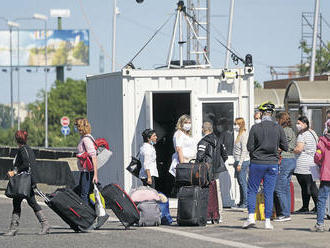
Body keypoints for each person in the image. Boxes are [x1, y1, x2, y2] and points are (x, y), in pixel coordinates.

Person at [243, 101, 288, 230]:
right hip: (272, 163)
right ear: (272, 114)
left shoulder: (255, 128)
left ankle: (251, 217)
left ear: (262, 114)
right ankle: (267, 221)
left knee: (252, 190)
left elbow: (249, 147)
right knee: (269, 192)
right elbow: (285, 146)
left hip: (257, 163)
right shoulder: (278, 128)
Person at [4, 130, 50, 236]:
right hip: (27, 180)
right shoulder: (27, 149)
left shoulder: (22, 150)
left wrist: (14, 171)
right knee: (18, 202)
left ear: (16, 139)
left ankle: (45, 224)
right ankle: (14, 228)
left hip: (25, 181)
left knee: (31, 202)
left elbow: (26, 164)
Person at [273, 112, 297, 222]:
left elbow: (283, 146)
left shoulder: (284, 131)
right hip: (291, 160)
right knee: (286, 188)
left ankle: (284, 213)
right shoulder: (291, 130)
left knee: (279, 188)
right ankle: (287, 212)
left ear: (280, 119)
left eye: (277, 119)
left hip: (285, 160)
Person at [293, 116, 319, 213]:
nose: (297, 125)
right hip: (314, 163)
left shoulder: (302, 135)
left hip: (304, 164)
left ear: (305, 124)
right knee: (312, 185)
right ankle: (313, 206)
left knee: (306, 186)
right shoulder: (313, 132)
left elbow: (299, 149)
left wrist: (292, 150)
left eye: (299, 123)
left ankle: (314, 206)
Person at [311, 119, 330, 232]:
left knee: (322, 199)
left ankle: (320, 224)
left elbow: (317, 157)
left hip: (326, 175)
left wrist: (319, 163)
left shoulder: (322, 141)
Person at [75, 118, 98, 205]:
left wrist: (95, 175)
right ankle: (95, 214)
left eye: (77, 126)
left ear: (81, 127)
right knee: (83, 194)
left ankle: (88, 215)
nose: (76, 128)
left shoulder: (86, 139)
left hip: (87, 172)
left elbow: (93, 157)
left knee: (84, 195)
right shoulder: (84, 138)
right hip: (84, 171)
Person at [233, 117, 249, 209]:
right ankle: (241, 202)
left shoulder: (243, 135)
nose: (235, 126)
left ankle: (245, 203)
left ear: (240, 124)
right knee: (240, 182)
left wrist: (240, 163)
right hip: (237, 160)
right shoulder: (238, 134)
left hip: (242, 161)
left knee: (243, 182)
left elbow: (244, 150)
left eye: (236, 124)